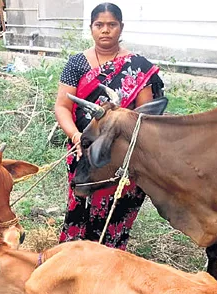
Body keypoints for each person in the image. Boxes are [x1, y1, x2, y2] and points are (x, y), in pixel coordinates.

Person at [54, 2, 164, 250]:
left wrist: (119, 146)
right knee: (79, 204)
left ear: (121, 27)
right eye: (99, 25)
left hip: (123, 155)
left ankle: (109, 259)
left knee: (116, 208)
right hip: (83, 149)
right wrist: (75, 137)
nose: (105, 31)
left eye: (111, 25)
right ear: (91, 28)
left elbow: (143, 118)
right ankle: (73, 258)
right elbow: (62, 106)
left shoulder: (139, 67)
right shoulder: (77, 64)